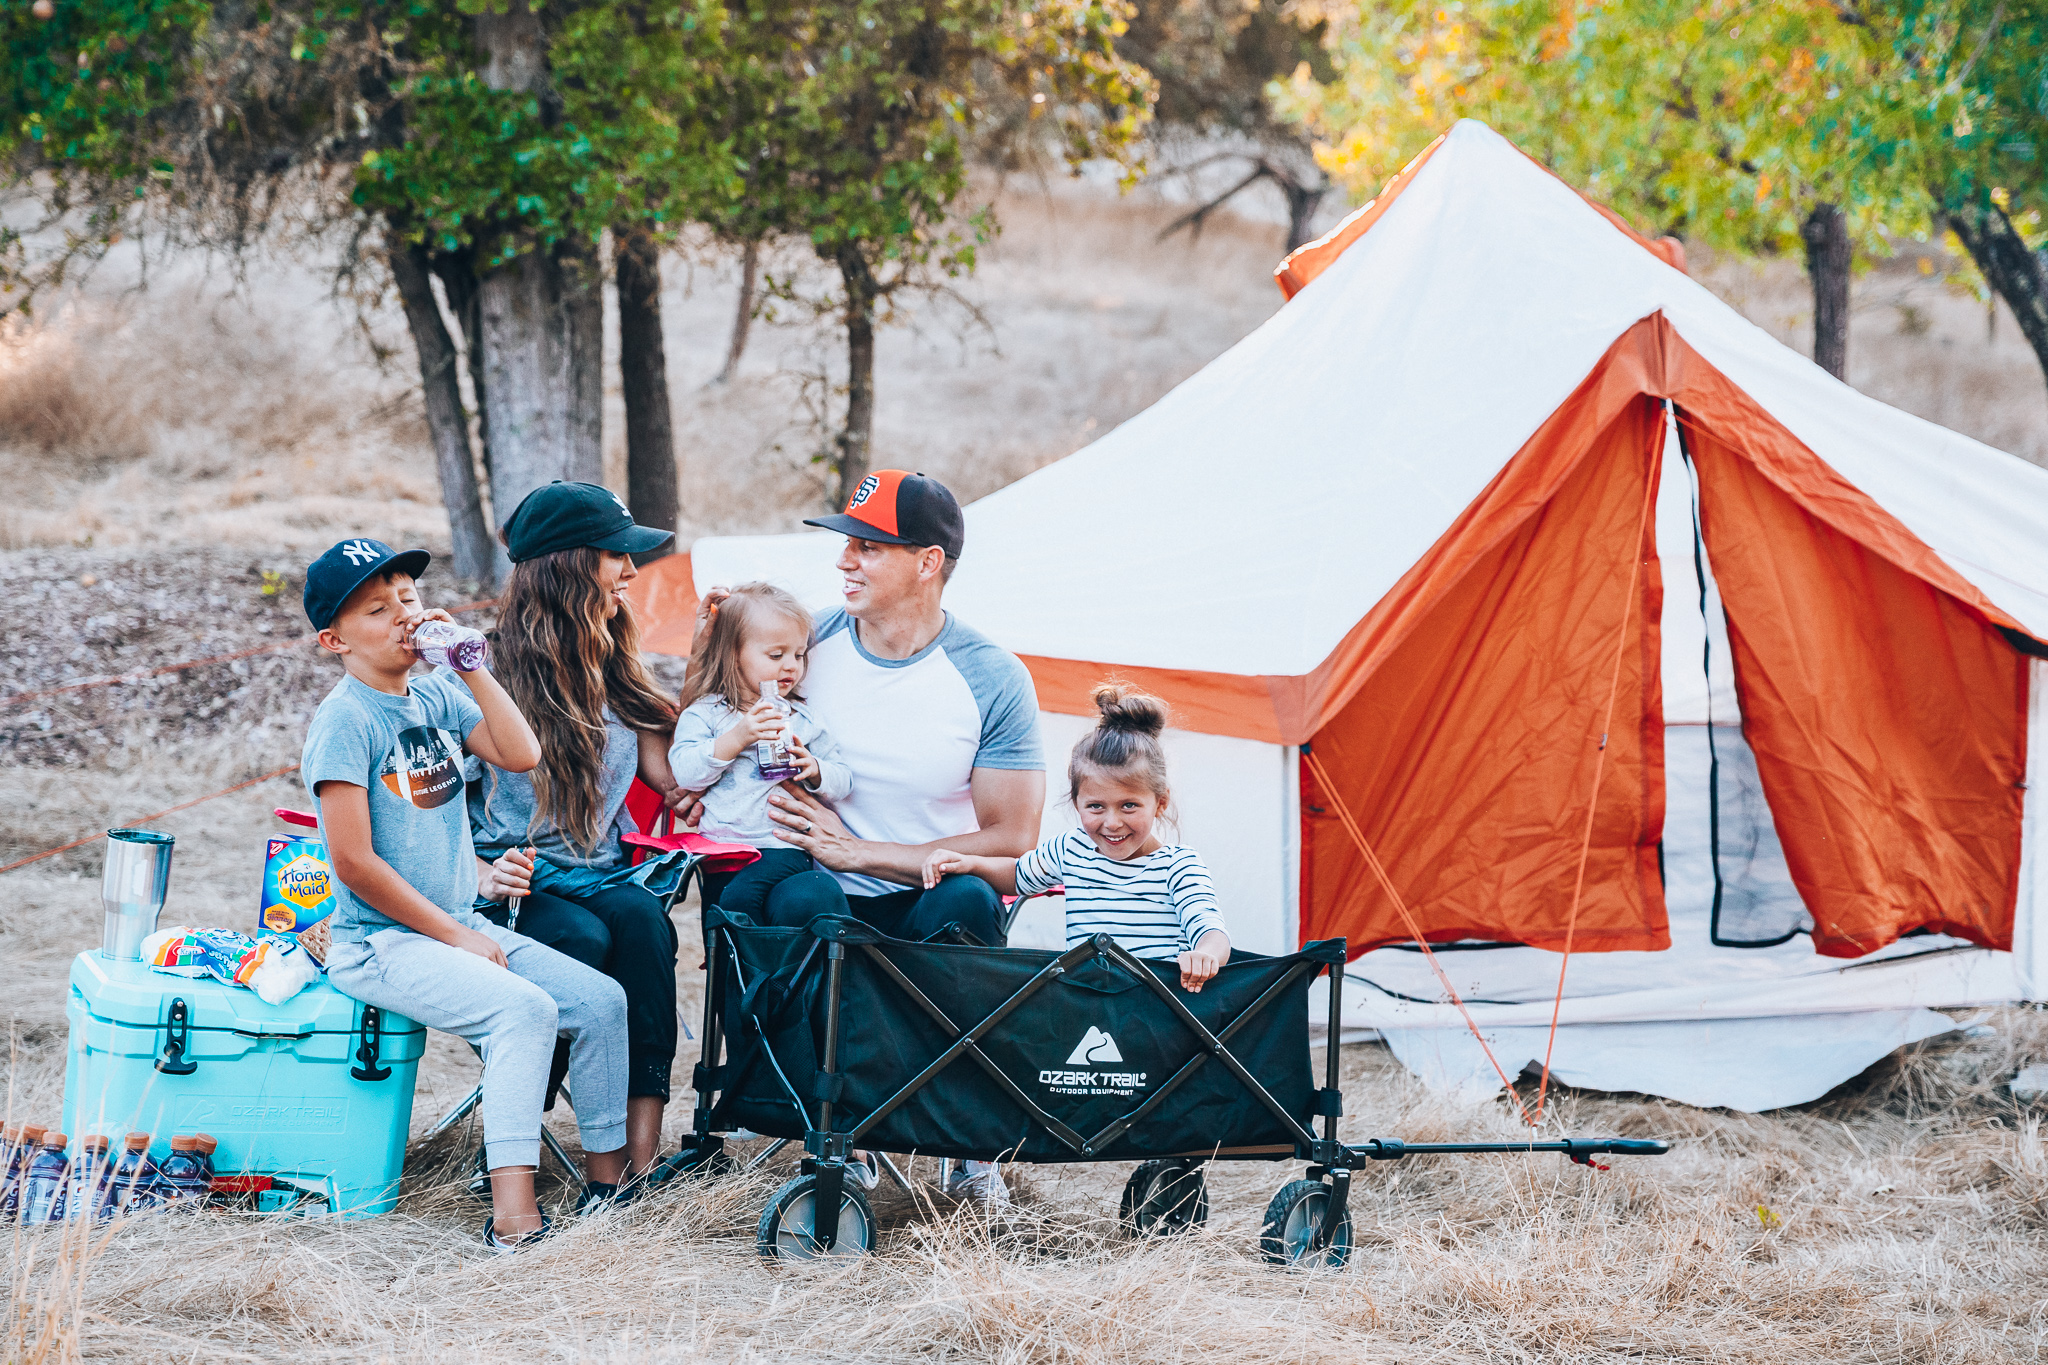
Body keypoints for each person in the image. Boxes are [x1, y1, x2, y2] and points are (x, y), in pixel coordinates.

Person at [689, 470, 1045, 1204]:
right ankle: (837, 1133)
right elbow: (712, 710)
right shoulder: (805, 640)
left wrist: (867, 853)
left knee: (974, 902)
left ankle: (966, 1143)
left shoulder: (989, 675)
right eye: (845, 544)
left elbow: (1013, 837)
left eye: (869, 547)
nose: (846, 560)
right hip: (817, 888)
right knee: (795, 894)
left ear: (927, 562)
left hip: (922, 890)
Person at [299, 537, 630, 1252]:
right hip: (380, 943)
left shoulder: (437, 691)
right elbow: (353, 863)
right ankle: (514, 1220)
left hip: (454, 923)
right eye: (377, 608)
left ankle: (610, 1189)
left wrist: (471, 667)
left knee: (602, 1000)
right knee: (525, 1009)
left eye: (409, 599)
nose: (403, 616)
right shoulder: (346, 719)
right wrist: (458, 936)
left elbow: (522, 753)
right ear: (334, 639)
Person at [465, 481, 688, 1187]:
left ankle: (636, 1162)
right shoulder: (484, 672)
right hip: (513, 881)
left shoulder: (618, 659)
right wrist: (478, 870)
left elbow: (675, 777)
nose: (630, 570)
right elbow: (431, 805)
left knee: (645, 924)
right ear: (567, 565)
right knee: (585, 943)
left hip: (606, 873)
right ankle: (513, 1145)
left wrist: (715, 666)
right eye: (615, 555)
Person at [923, 683, 1231, 992]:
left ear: (1160, 803)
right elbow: (1017, 876)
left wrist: (1205, 955)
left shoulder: (1178, 865)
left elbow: (1212, 932)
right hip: (1085, 1007)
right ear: (1077, 804)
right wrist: (969, 863)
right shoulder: (1072, 849)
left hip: (1152, 1010)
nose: (1112, 823)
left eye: (1129, 806)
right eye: (1096, 807)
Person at [668, 582, 853, 922]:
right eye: (775, 655)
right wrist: (736, 737)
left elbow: (844, 780)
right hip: (721, 851)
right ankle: (739, 976)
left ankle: (770, 977)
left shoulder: (802, 718)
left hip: (783, 844)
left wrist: (814, 769)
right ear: (732, 653)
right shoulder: (706, 714)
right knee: (721, 929)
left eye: (799, 655)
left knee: (738, 904)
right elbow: (686, 773)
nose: (791, 666)